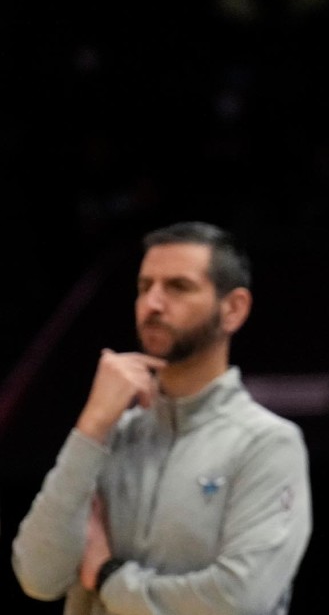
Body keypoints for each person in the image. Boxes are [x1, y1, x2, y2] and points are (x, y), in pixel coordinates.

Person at [11, 221, 312, 614]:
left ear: (233, 308)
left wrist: (108, 578)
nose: (152, 304)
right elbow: (37, 576)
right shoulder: (107, 435)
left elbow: (239, 602)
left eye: (178, 287)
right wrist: (90, 428)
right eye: (144, 287)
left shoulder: (267, 443)